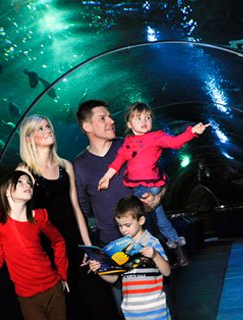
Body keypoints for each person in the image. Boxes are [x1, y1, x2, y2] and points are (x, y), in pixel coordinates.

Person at [74, 100, 171, 318]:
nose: (111, 121)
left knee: (158, 306)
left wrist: (157, 197)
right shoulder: (79, 165)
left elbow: (161, 179)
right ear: (87, 127)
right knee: (128, 310)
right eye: (103, 118)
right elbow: (81, 208)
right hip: (113, 247)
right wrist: (90, 249)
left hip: (146, 241)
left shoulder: (129, 144)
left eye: (110, 116)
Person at [17, 114, 119, 319]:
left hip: (75, 243)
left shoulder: (66, 166)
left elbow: (76, 209)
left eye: (48, 126)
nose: (47, 131)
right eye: (40, 129)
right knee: (69, 308)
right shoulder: (24, 172)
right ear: (28, 138)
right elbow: (21, 218)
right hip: (48, 250)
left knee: (99, 301)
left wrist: (89, 247)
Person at [98, 102, 209, 267]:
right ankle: (179, 255)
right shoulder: (127, 143)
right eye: (139, 118)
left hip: (151, 186)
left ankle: (143, 255)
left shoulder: (156, 136)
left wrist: (192, 132)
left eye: (148, 117)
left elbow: (175, 142)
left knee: (135, 221)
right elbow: (118, 160)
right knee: (159, 221)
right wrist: (106, 177)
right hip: (137, 187)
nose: (144, 121)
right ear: (129, 123)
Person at [0, 170, 68, 320]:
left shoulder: (38, 217)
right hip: (27, 296)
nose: (27, 185)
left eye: (29, 183)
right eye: (20, 182)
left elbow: (59, 242)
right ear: (7, 191)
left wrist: (62, 275)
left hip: (53, 288)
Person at [89, 195, 172, 320]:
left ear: (141, 220)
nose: (123, 230)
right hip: (131, 311)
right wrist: (99, 270)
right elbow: (114, 279)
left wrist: (155, 256)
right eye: (120, 226)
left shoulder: (152, 242)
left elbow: (167, 271)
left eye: (127, 225)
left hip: (155, 309)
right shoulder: (119, 247)